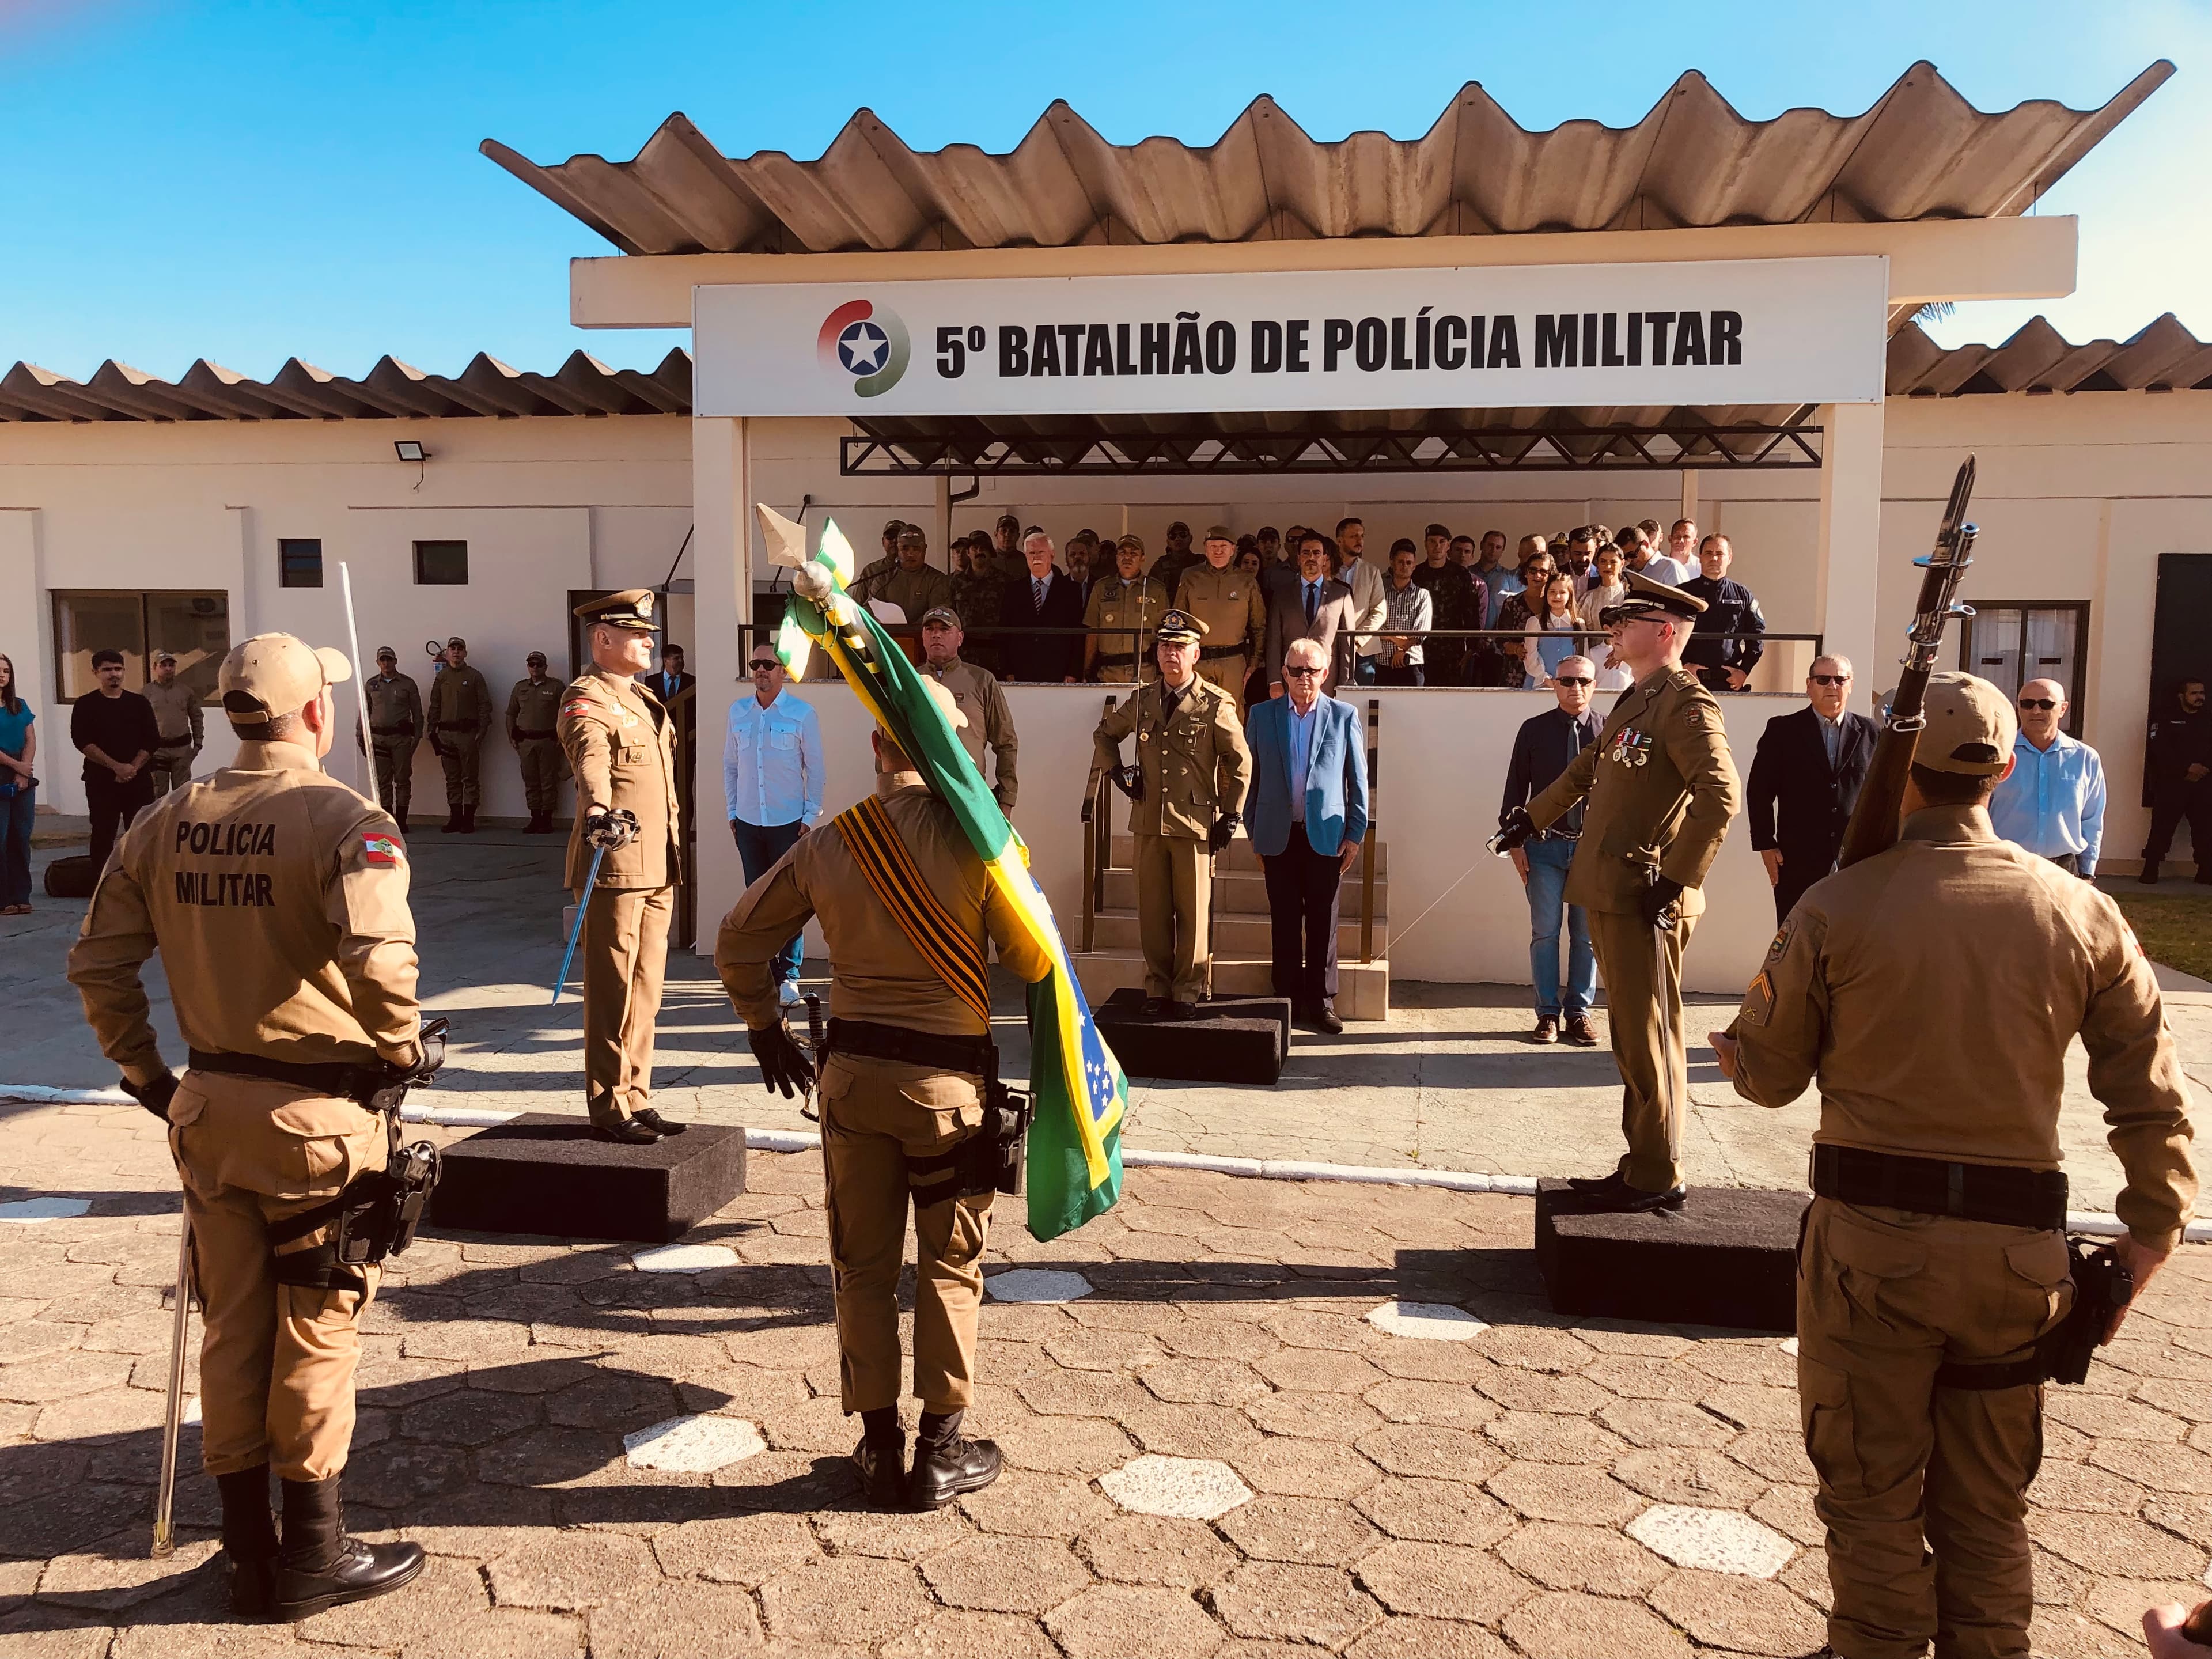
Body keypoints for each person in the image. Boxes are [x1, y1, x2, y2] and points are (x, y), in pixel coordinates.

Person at [1709, 670, 2197, 1659]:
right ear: (2006, 769)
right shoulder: (2080, 910)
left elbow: (1766, 1079)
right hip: (2017, 1267)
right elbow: (2151, 1089)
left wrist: (1744, 1026)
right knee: (1986, 1509)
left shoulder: (1837, 905)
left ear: (1901, 778)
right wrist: (2152, 1233)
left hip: (1869, 1263)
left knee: (1873, 1501)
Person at [66, 631, 433, 1621]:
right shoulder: (345, 818)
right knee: (316, 1330)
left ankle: (244, 1549)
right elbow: (385, 966)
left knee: (233, 1328)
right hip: (316, 1121)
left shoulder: (163, 818)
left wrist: (147, 1076)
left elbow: (96, 964)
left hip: (208, 1113)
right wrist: (401, 1051)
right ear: (315, 713)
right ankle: (314, 1550)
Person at [717, 675, 1052, 1512]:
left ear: (876, 747)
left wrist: (765, 1026)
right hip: (947, 1094)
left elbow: (736, 939)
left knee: (860, 1268)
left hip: (853, 1088)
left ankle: (877, 1445)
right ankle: (940, 1452)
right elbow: (1032, 959)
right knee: (949, 1266)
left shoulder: (831, 841)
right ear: (954, 749)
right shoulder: (984, 838)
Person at [1497, 570, 1740, 1214]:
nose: (1615, 629)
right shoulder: (1637, 698)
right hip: (1612, 889)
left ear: (1663, 632)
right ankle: (1642, 1162)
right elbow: (1586, 769)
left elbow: (1722, 796)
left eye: (1626, 621)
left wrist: (1677, 879)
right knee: (1632, 1038)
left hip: (1647, 897)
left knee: (1651, 1035)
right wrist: (1533, 815)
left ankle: (1660, 1172)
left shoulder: (1686, 704)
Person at [559, 590, 685, 1143]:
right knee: (611, 989)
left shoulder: (644, 699)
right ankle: (609, 1105)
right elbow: (589, 759)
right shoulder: (585, 698)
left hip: (658, 863)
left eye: (649, 635)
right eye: (637, 635)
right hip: (615, 862)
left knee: (647, 990)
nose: (648, 642)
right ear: (602, 640)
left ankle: (637, 1093)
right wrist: (597, 810)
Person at [1093, 610, 1251, 1017]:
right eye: (1165, 646)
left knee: (1193, 915)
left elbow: (1240, 762)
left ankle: (1188, 991)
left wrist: (1230, 816)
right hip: (1148, 823)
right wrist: (1118, 772)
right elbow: (1106, 734)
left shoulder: (1215, 703)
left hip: (1193, 824)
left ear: (1195, 654)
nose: (1171, 655)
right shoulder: (1143, 699)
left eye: (1180, 648)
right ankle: (1158, 988)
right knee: (1153, 912)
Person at [1244, 638, 1367, 1033]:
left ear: (1325, 673)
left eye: (1311, 670)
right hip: (1277, 834)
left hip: (1326, 835)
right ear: (1284, 673)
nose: (1303, 678)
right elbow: (1251, 778)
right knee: (1283, 920)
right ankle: (1286, 998)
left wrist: (1356, 833)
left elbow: (1358, 780)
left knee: (1322, 921)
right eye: (1296, 670)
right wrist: (1253, 830)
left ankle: (1321, 999)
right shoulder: (1262, 716)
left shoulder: (1344, 716)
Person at [1501, 657, 1603, 1046]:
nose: (1575, 687)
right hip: (1543, 850)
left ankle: (1579, 1014)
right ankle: (1547, 1015)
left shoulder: (1610, 731)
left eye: (1583, 681)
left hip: (1592, 853)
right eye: (1567, 680)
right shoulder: (1533, 731)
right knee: (1545, 933)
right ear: (1554, 684)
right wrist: (1514, 845)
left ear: (1594, 685)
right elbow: (1515, 792)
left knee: (1587, 937)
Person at [725, 641, 824, 1007]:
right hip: (749, 822)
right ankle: (764, 971)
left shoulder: (801, 714)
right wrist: (732, 813)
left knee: (789, 900)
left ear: (784, 670)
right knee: (756, 898)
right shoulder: (738, 712)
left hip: (789, 823)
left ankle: (789, 975)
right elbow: (730, 766)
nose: (761, 670)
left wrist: (810, 817)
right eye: (756, 664)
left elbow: (815, 769)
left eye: (769, 664)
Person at [1745, 656, 1877, 923]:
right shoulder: (1782, 730)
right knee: (1795, 943)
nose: (1832, 685)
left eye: (1840, 680)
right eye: (1823, 679)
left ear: (1850, 686)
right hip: (1797, 861)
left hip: (1854, 861)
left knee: (1849, 942)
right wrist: (1765, 845)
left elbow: (1883, 793)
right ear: (1809, 685)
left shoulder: (1871, 732)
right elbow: (1759, 790)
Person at [1988, 678, 2105, 875]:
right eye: (2027, 704)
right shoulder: (1998, 754)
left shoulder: (2085, 758)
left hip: (2064, 870)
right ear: (2018, 708)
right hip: (2007, 865)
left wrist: (2087, 872)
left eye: (2046, 704)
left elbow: (2092, 820)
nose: (2036, 711)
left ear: (2063, 708)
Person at [919, 607, 1018, 815]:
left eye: (945, 629)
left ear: (960, 638)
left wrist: (1007, 800)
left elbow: (1006, 742)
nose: (936, 634)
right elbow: (888, 740)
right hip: (919, 797)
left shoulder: (982, 680)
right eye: (930, 629)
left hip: (970, 795)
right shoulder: (909, 679)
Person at [72, 647, 160, 873]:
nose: (114, 674)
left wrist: (132, 768)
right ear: (96, 673)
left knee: (140, 831)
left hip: (138, 781)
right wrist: (116, 767)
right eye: (107, 670)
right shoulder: (85, 705)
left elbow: (151, 740)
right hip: (101, 781)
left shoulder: (139, 703)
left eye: (118, 669)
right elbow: (82, 741)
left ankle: (140, 880)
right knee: (103, 832)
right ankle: (102, 884)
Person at [1174, 525, 1269, 712]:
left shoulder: (1246, 581)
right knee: (1195, 714)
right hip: (1198, 659)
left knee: (1231, 716)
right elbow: (1178, 621)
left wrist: (1254, 662)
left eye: (1223, 546)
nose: (1218, 551)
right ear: (1205, 548)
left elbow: (1259, 625)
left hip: (1233, 662)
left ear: (1233, 550)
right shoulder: (1190, 576)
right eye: (1213, 546)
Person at [1263, 531, 1357, 698]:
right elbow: (1274, 640)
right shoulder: (1282, 594)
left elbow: (1347, 644)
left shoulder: (1341, 594)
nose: (1311, 558)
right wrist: (1275, 681)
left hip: (1327, 679)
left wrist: (1345, 684)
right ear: (1298, 558)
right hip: (1290, 678)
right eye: (1306, 553)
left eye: (1317, 553)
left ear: (1324, 559)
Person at [2139, 677, 2210, 883]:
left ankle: (2205, 870)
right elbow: (2159, 749)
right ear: (2182, 696)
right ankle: (2151, 868)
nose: (2199, 697)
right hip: (2172, 783)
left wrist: (2203, 768)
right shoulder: (2164, 718)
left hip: (2204, 784)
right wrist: (2186, 767)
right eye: (2194, 693)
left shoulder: (2208, 718)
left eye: (2202, 693)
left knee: (2205, 829)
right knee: (2162, 827)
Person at [1681, 533, 1767, 692]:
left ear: (1730, 558)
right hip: (1690, 682)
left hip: (1728, 683)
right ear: (1700, 557)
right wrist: (1683, 664)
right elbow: (1668, 632)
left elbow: (1757, 635)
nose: (1714, 558)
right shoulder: (1682, 593)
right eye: (1708, 553)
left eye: (1720, 554)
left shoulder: (1742, 595)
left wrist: (1744, 671)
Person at [425, 636, 492, 834]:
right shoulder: (442, 677)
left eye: (460, 649)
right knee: (452, 778)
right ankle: (455, 817)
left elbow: (484, 705)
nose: (456, 652)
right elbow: (435, 704)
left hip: (468, 735)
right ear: (447, 652)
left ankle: (468, 819)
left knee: (470, 778)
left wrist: (482, 731)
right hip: (446, 734)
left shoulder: (474, 676)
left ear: (465, 653)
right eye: (452, 648)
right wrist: (431, 730)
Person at [998, 531, 1085, 683]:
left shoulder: (1071, 590)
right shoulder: (1013, 590)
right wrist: (1007, 671)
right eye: (1032, 553)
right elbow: (1004, 633)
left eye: (1041, 552)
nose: (1036, 557)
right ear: (1025, 556)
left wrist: (1073, 672)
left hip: (1059, 671)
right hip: (1021, 672)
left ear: (1052, 555)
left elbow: (1077, 635)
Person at [1083, 535, 1168, 685]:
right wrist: (1086, 671)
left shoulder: (1156, 590)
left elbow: (1165, 633)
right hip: (1108, 672)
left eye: (1133, 553)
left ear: (1143, 558)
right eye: (1122, 553)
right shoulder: (1101, 588)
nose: (1127, 557)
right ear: (1116, 557)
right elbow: (1093, 633)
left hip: (1145, 670)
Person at [361, 647, 423, 834]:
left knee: (403, 780)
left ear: (396, 661)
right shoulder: (371, 685)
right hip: (379, 739)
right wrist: (361, 737)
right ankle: (387, 820)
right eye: (383, 660)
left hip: (401, 740)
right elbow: (364, 713)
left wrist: (416, 738)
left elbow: (418, 714)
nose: (386, 663)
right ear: (378, 663)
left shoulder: (408, 684)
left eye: (389, 660)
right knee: (383, 782)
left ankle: (402, 821)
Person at [858, 525, 956, 638]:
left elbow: (937, 614)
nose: (910, 554)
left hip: (924, 641)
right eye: (905, 549)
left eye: (916, 549)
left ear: (924, 549)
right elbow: (869, 609)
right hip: (888, 640)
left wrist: (908, 631)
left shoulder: (937, 579)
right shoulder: (883, 579)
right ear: (898, 549)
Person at [507, 650, 566, 835]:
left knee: (548, 781)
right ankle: (535, 818)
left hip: (548, 741)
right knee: (531, 781)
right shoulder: (520, 688)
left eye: (539, 665)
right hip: (526, 742)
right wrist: (512, 737)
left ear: (545, 667)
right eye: (531, 664)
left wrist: (562, 737)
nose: (535, 668)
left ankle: (547, 819)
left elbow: (566, 713)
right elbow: (511, 713)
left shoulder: (556, 687)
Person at [1412, 534, 1480, 687]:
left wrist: (1471, 648)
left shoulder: (1460, 574)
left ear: (1448, 546)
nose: (1437, 546)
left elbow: (1471, 612)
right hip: (1421, 649)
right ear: (1426, 544)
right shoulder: (1417, 573)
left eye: (1442, 542)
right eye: (1433, 542)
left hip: (1453, 650)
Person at [1331, 518, 1389, 687]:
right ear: (1340, 540)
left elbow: (1379, 611)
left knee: (1362, 701)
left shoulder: (1372, 571)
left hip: (1363, 651)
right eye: (1354, 536)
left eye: (1362, 536)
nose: (1360, 540)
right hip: (1332, 647)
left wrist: (1357, 640)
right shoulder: (1328, 569)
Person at [0, 654, 35, 915]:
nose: (2, 675)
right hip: (4, 770)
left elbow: (30, 740)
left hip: (21, 774)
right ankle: (3, 899)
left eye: (6, 671)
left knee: (20, 837)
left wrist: (24, 771)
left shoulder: (19, 705)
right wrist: (17, 767)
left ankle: (22, 895)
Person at [1494, 540, 1556, 686]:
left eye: (1543, 572)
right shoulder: (1512, 603)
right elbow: (1500, 640)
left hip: (1549, 672)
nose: (1537, 576)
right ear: (1526, 573)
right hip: (1516, 671)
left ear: (1550, 575)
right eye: (1533, 571)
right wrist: (1516, 649)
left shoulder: (1555, 604)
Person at [143, 651, 205, 797]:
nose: (168, 669)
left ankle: (179, 820)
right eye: (163, 665)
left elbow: (197, 717)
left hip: (182, 751)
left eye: (171, 665)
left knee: (183, 794)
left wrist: (198, 743)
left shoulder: (185, 691)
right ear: (155, 668)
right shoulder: (146, 693)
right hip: (158, 751)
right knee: (158, 794)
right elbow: (137, 723)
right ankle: (159, 820)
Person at [1375, 540, 1434, 686]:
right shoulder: (1381, 594)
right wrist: (1396, 638)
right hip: (1382, 662)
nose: (1405, 566)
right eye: (1401, 562)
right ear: (1392, 563)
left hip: (1411, 663)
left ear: (1414, 566)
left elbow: (1421, 632)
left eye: (1409, 563)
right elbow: (1375, 626)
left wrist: (1402, 649)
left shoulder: (1422, 595)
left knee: (1413, 708)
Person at [1576, 545, 1632, 691]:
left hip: (1626, 658)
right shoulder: (1588, 598)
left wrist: (1622, 651)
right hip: (1595, 660)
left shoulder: (1630, 598)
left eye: (1613, 562)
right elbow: (1582, 633)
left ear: (1622, 564)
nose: (1608, 566)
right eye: (1603, 561)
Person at [1522, 571, 1584, 688]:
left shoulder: (1578, 624)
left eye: (1562, 592)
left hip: (1568, 685)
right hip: (1539, 684)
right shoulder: (1535, 622)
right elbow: (1530, 655)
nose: (1557, 596)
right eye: (1552, 592)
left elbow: (1582, 657)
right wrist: (1546, 678)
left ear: (1570, 595)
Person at [1147, 520, 1200, 597]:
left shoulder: (1201, 563)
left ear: (1190, 538)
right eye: (1173, 536)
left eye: (1183, 534)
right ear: (1168, 542)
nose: (1178, 538)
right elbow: (1150, 593)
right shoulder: (1160, 567)